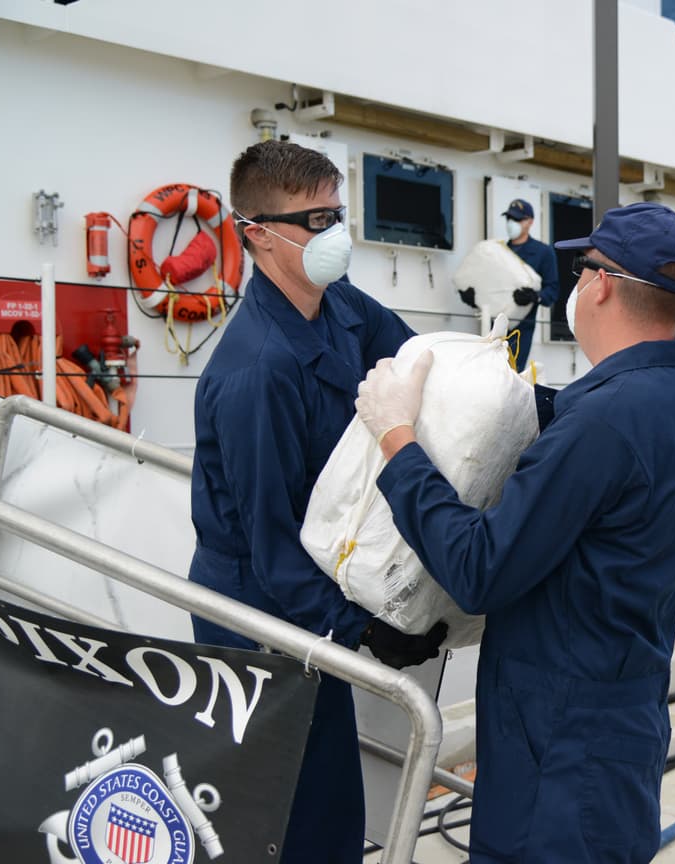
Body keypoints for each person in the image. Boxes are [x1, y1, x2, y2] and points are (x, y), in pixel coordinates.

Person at [355, 202, 675, 863]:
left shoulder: (602, 425)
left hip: (557, 762)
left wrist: (397, 438)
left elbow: (478, 570)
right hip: (611, 737)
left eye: (582, 271)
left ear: (600, 283)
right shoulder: (674, 400)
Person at [189, 140, 446, 864]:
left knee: (330, 806)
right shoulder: (257, 372)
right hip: (255, 614)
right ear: (258, 235)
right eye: (316, 220)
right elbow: (268, 544)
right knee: (277, 820)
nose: (335, 234)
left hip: (307, 596)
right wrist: (363, 631)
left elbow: (420, 357)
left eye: (338, 213)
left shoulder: (338, 307)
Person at [503, 199, 560, 371]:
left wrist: (534, 296)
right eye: (509, 219)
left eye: (517, 219)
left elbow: (553, 291)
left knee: (512, 373)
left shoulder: (543, 252)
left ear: (530, 222)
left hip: (522, 327)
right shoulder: (499, 252)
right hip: (494, 322)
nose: (512, 223)